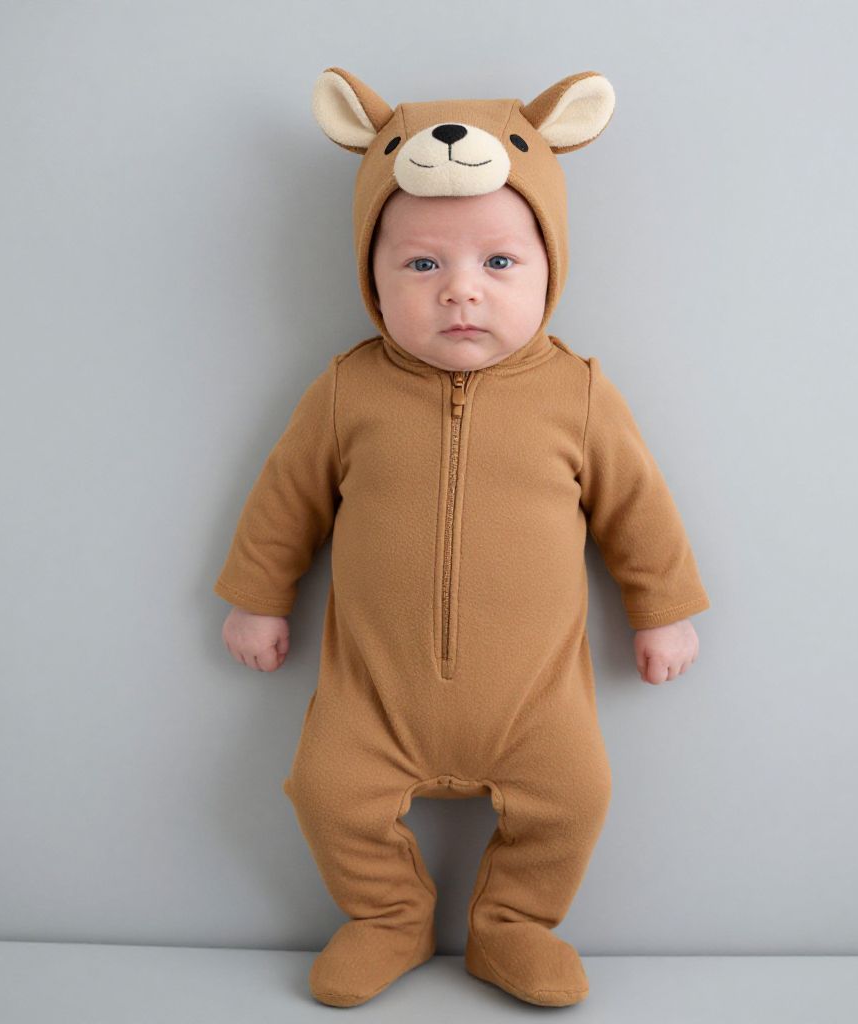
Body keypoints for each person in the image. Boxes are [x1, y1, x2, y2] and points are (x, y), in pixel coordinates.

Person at [213, 68, 711, 1008]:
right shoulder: (349, 389)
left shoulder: (577, 394)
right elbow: (285, 500)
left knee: (577, 796)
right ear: (372, 274)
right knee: (325, 791)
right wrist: (258, 598)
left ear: (550, 266)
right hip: (375, 692)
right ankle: (387, 916)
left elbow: (638, 509)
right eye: (422, 266)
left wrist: (664, 611)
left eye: (499, 263)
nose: (460, 294)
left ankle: (513, 924)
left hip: (535, 699)